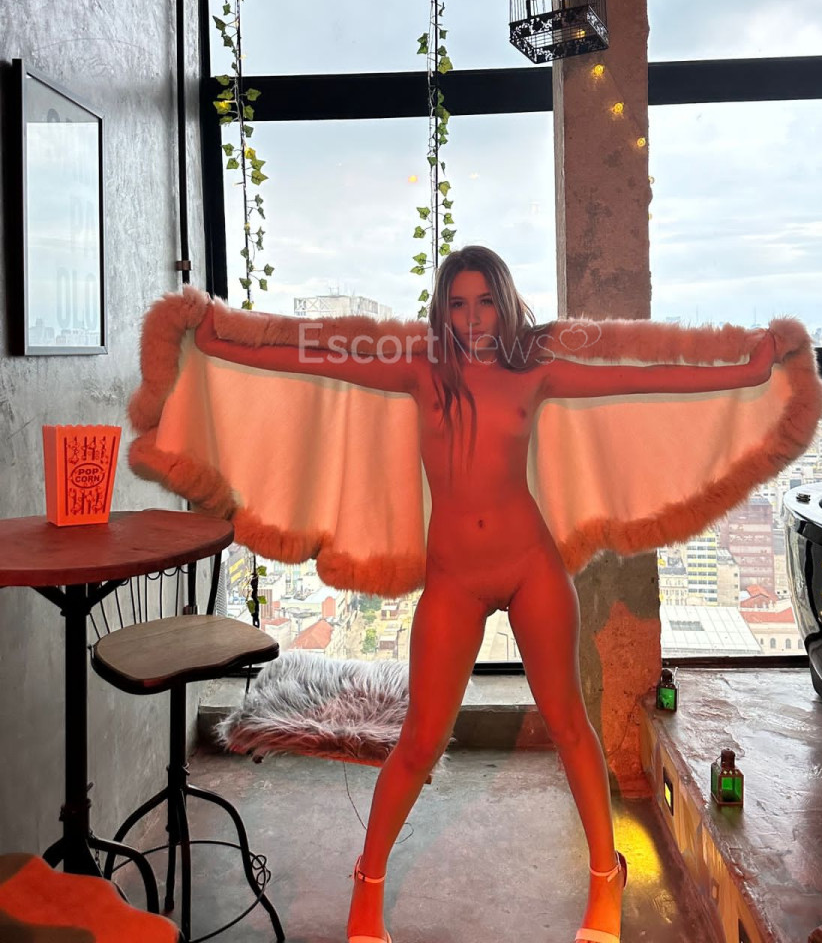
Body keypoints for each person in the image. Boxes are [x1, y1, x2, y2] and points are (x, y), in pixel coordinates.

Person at [194, 244, 777, 943]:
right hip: (455, 580)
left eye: (485, 302)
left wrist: (744, 373)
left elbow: (638, 376)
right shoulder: (421, 372)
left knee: (569, 724)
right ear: (443, 310)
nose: (472, 318)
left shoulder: (533, 374)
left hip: (531, 567)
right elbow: (316, 359)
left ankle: (606, 876)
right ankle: (367, 885)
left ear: (503, 305)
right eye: (459, 304)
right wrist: (221, 345)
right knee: (418, 741)